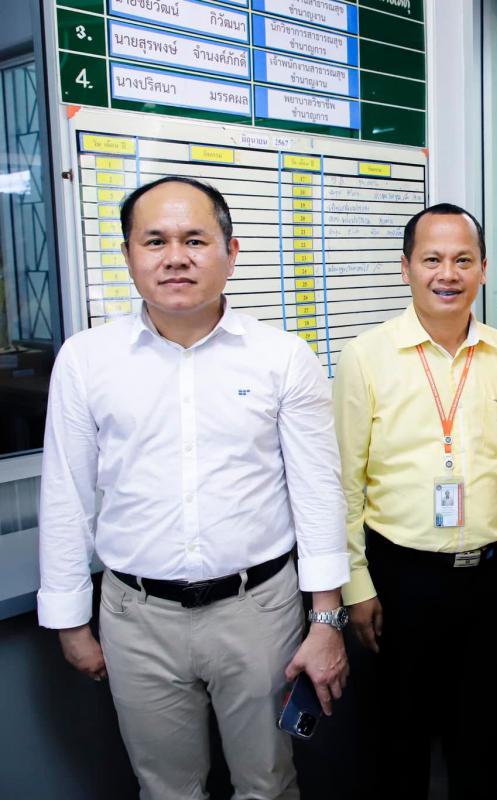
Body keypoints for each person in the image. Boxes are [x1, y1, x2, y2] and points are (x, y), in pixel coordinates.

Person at [37, 176, 351, 800]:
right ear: (128, 254)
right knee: (166, 790)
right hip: (135, 616)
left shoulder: (282, 357)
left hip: (259, 611)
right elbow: (65, 495)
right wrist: (71, 623)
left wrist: (326, 621)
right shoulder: (86, 359)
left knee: (268, 784)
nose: (175, 257)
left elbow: (318, 494)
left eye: (195, 240)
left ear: (230, 253)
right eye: (155, 240)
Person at [333, 203, 497, 799]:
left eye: (463, 260)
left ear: (484, 269)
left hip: (490, 577)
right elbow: (345, 483)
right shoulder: (366, 356)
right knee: (401, 739)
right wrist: (357, 585)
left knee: (481, 736)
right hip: (402, 577)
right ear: (407, 268)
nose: (448, 274)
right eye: (432, 260)